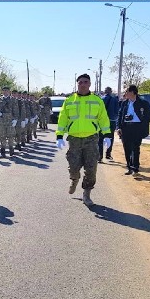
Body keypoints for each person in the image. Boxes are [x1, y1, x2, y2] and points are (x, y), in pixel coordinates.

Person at [56, 73, 112, 205]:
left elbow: (103, 118)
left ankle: (87, 194)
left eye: (85, 82)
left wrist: (107, 135)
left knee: (91, 168)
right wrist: (59, 136)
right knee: (74, 168)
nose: (83, 84)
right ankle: (74, 179)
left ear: (90, 84)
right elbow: (63, 118)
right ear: (77, 84)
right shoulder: (69, 100)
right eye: (80, 82)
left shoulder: (97, 100)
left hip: (91, 139)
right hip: (74, 140)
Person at [116, 85, 150, 175]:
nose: (125, 94)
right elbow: (120, 115)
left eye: (127, 92)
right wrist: (118, 127)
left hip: (137, 128)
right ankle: (129, 167)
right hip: (126, 128)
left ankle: (135, 168)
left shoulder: (143, 103)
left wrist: (143, 125)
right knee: (127, 148)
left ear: (133, 92)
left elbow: (148, 116)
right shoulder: (124, 103)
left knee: (135, 148)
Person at [101, 86, 121, 159]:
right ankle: (108, 154)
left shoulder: (101, 99)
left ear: (105, 91)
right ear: (111, 91)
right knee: (110, 137)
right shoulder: (115, 100)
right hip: (112, 121)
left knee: (101, 138)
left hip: (102, 121)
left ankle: (100, 156)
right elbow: (117, 110)